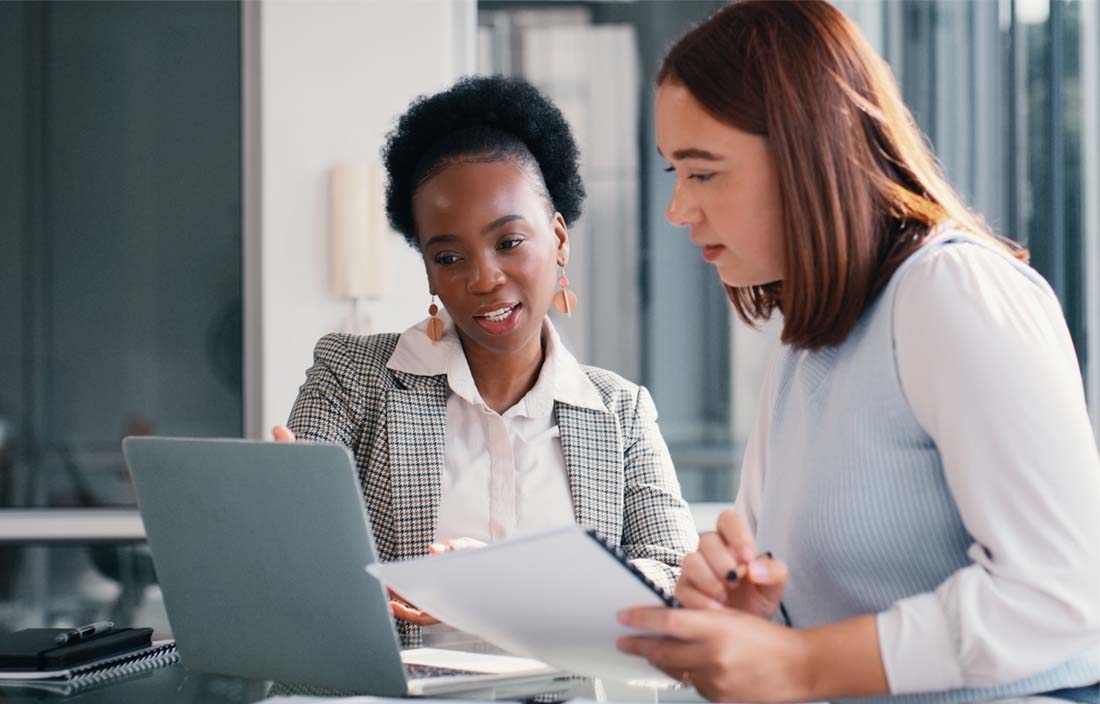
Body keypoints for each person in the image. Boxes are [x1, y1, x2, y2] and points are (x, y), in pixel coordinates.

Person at [616, 2, 1100, 702]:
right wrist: (753, 617)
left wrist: (803, 662)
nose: (679, 210)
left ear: (807, 151)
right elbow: (815, 610)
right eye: (674, 174)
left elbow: (1063, 590)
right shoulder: (808, 341)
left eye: (704, 172)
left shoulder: (949, 292)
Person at [275, 75, 697, 645]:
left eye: (509, 242)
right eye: (449, 256)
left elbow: (675, 576)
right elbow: (297, 568)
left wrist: (514, 582)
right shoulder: (352, 377)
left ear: (558, 239)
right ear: (428, 270)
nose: (483, 278)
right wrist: (283, 519)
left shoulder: (621, 413)